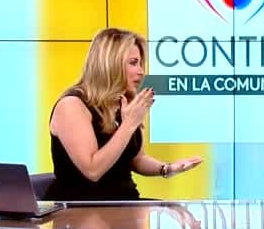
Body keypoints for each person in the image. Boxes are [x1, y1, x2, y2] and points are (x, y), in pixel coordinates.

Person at [46, 28, 202, 200]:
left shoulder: (123, 102)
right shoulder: (72, 105)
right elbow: (93, 170)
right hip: (81, 206)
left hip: (125, 202)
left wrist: (166, 168)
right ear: (109, 64)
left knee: (172, 210)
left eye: (141, 64)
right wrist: (129, 124)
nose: (141, 71)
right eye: (133, 63)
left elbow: (137, 159)